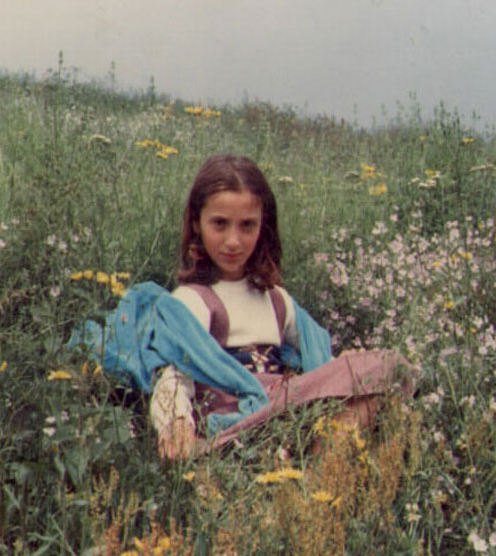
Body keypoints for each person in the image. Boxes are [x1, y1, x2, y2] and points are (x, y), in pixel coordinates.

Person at [149, 154, 418, 460]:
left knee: (383, 372)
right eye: (220, 224)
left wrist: (346, 368)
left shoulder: (276, 299)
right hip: (237, 421)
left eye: (247, 225)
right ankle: (315, 473)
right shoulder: (193, 300)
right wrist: (176, 423)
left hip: (287, 410)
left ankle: (320, 472)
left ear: (263, 227)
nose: (233, 241)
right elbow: (175, 374)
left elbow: (318, 359)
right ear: (197, 223)